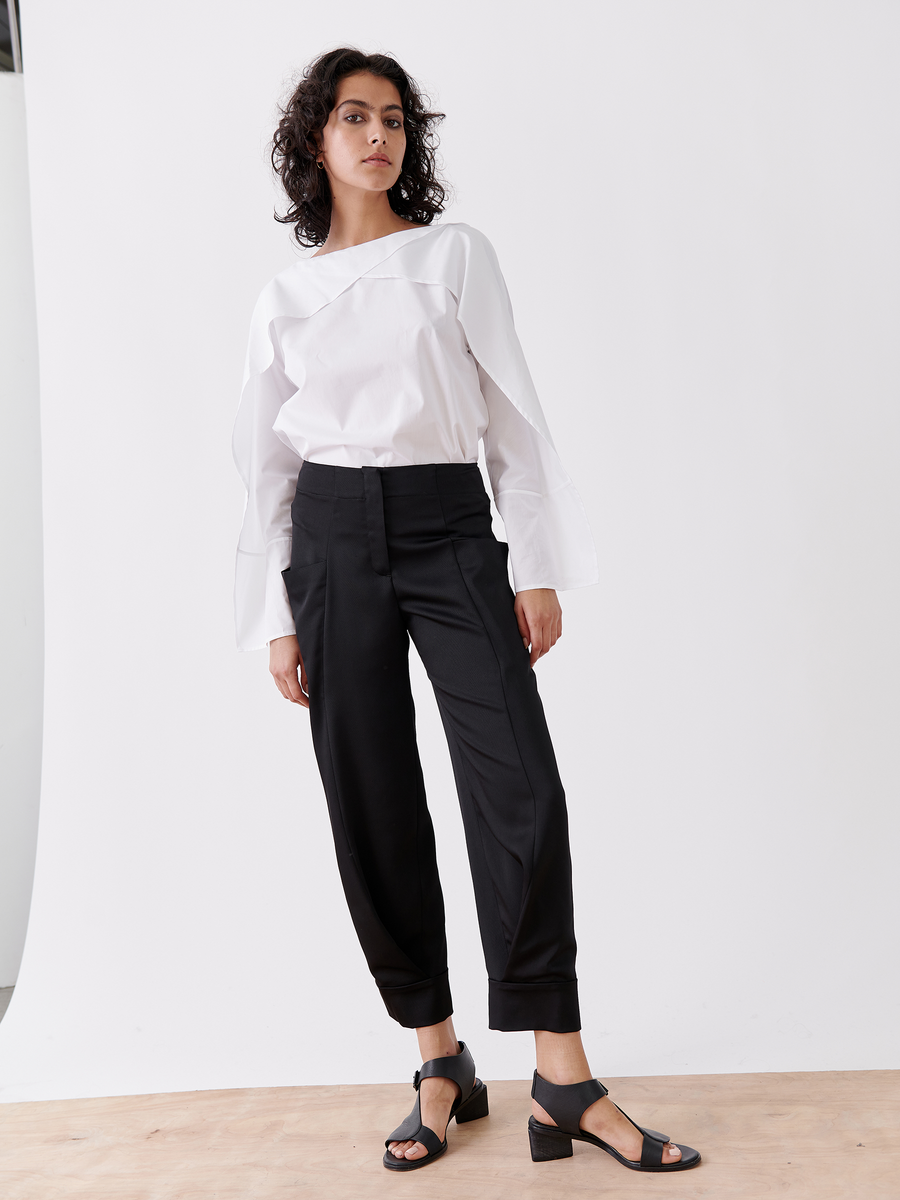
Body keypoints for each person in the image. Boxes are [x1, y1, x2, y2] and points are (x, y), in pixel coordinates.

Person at [233, 45, 701, 1176]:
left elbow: (511, 412)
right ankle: (440, 1062)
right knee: (371, 800)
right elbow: (262, 470)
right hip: (333, 549)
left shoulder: (455, 255)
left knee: (520, 793)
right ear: (316, 140)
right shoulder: (283, 296)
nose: (377, 135)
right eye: (353, 117)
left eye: (394, 118)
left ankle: (563, 1076)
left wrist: (531, 560)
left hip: (450, 530)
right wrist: (275, 615)